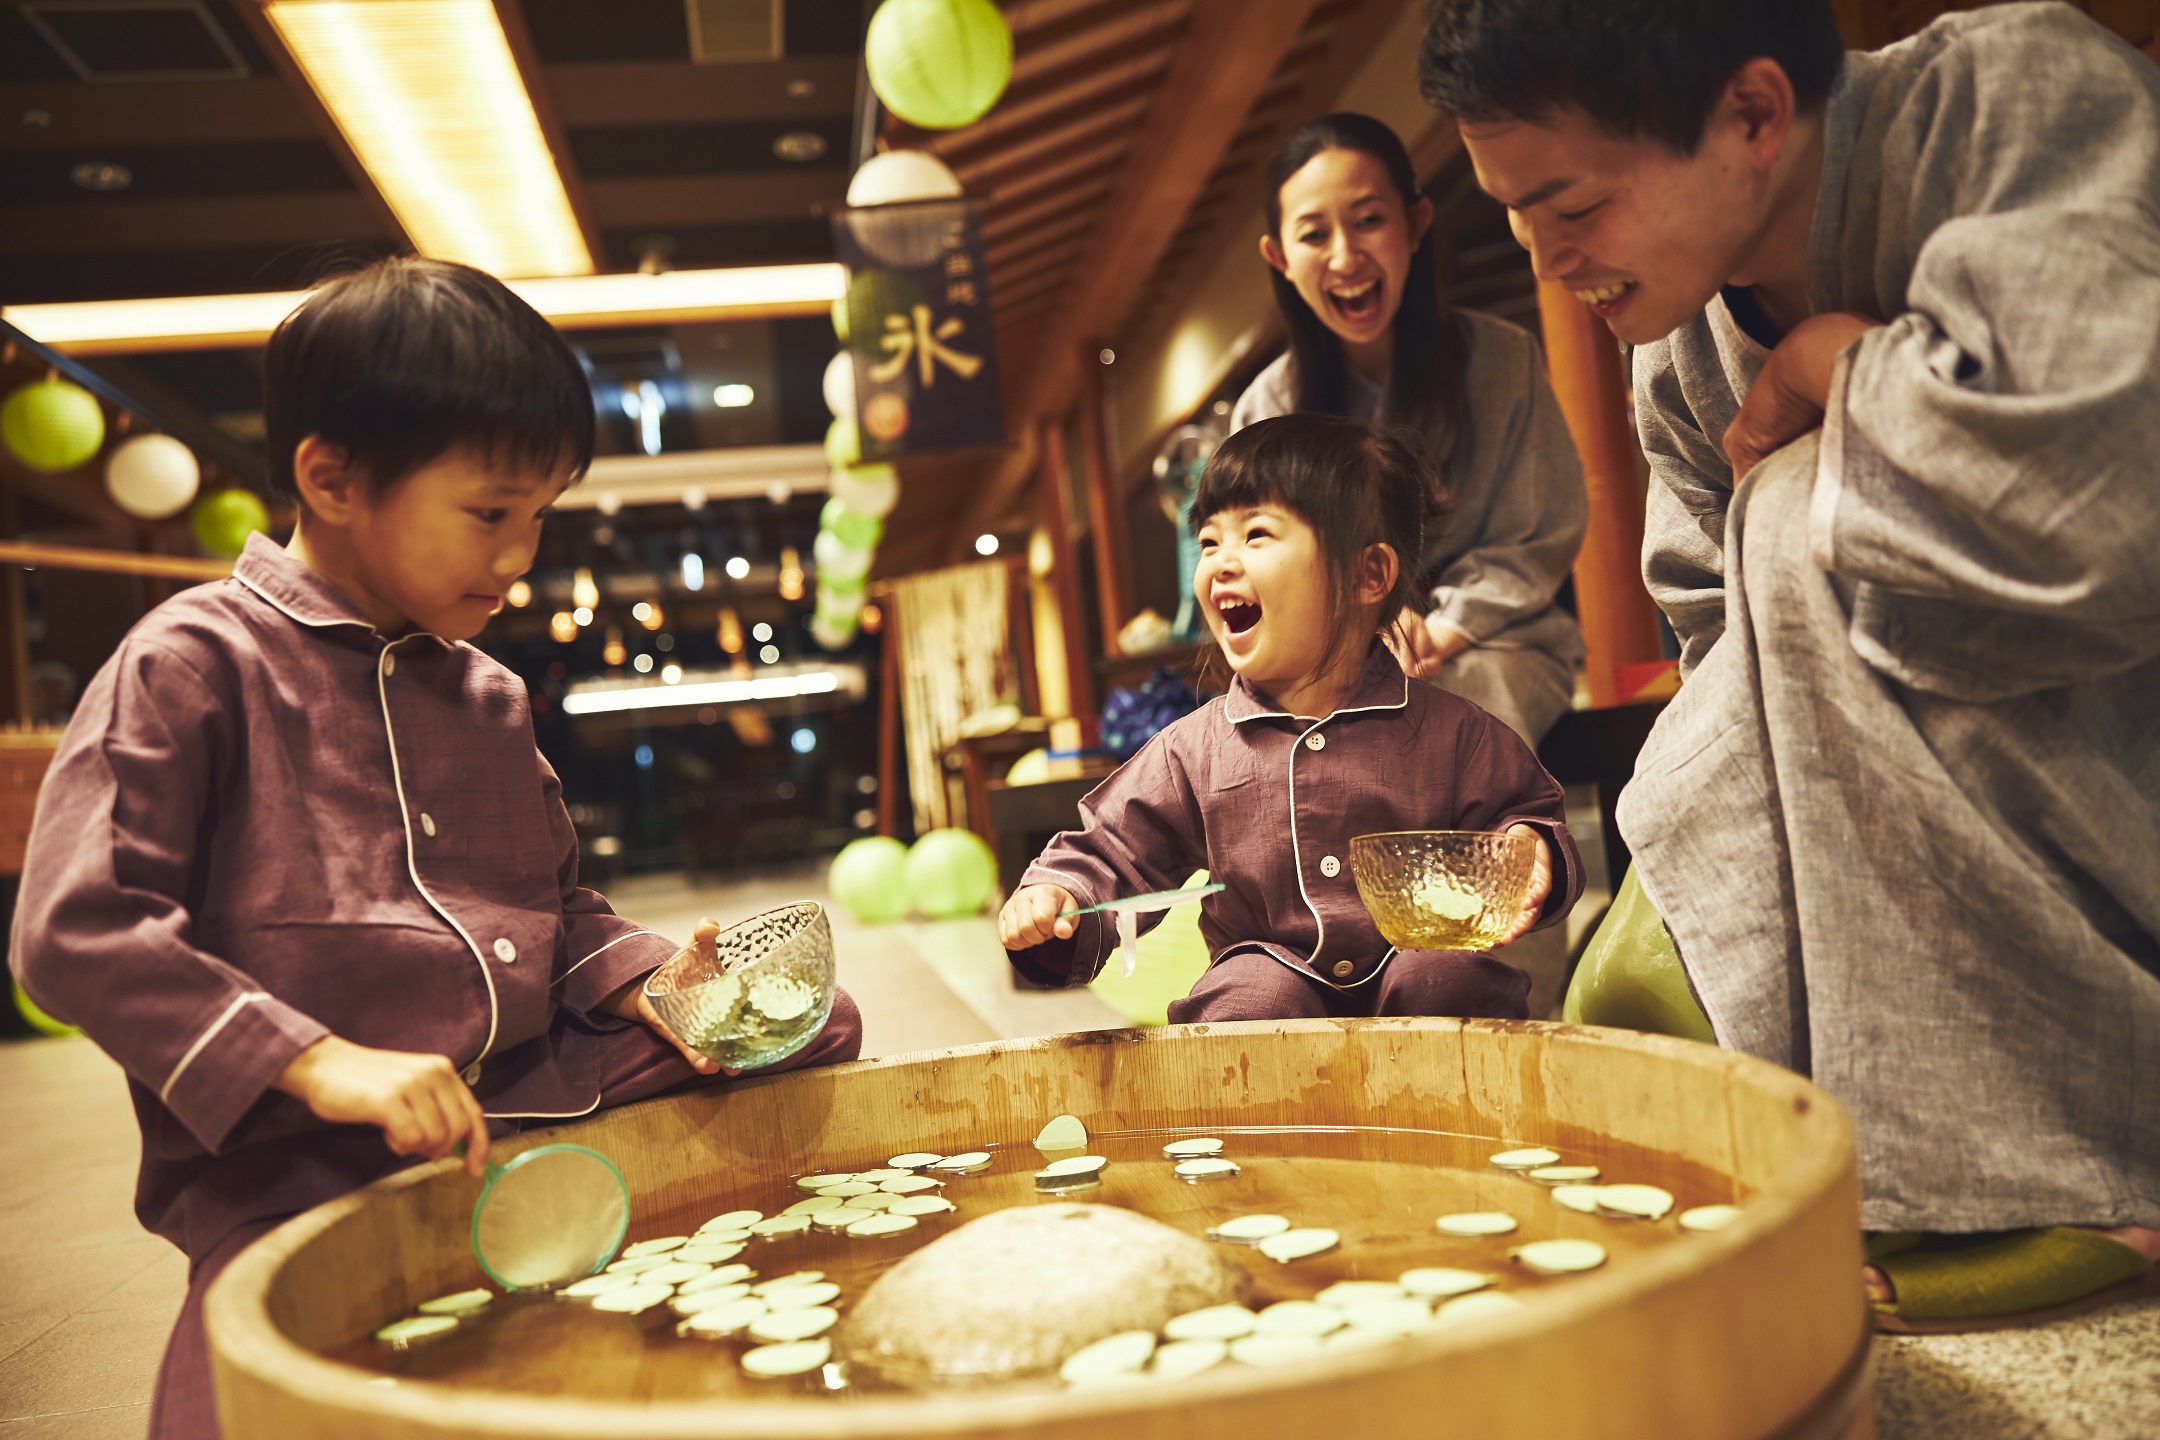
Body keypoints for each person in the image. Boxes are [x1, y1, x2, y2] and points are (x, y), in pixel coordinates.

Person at [6, 257, 864, 1439]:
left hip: (516, 1100)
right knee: (236, 1407)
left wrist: (654, 985)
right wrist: (321, 1063)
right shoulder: (189, 662)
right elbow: (74, 928)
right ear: (332, 478)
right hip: (299, 1157)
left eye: (540, 515)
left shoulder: (489, 697)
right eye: (490, 513)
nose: (520, 553)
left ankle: (560, 1210)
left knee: (814, 1017)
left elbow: (559, 912)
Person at [1421, 0, 2160, 1329]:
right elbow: (1726, 645)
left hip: (2116, 736)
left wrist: (1835, 370)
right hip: (1881, 798)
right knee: (1650, 931)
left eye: (1571, 206)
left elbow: (2101, 500)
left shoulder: (2014, 104)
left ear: (1753, 113)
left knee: (1787, 514)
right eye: (1517, 219)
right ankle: (1901, 1133)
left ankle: (2076, 1159)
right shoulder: (1678, 347)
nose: (1547, 258)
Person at [1000, 413, 1582, 1022]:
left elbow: (1522, 812)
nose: (1221, 562)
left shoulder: (1454, 731)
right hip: (1266, 969)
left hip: (1422, 953)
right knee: (1250, 999)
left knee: (1447, 977)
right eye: (1209, 542)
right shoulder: (1192, 750)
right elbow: (1116, 847)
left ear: (1368, 575)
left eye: (1256, 535)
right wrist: (1060, 895)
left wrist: (1530, 847)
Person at [1230, 113, 1587, 748]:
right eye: (1314, 234)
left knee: (1456, 719)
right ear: (1279, 257)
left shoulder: (1503, 360)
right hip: (1330, 671)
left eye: (1369, 220)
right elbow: (1264, 576)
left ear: (1416, 223)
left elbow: (1533, 537)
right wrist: (1360, 640)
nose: (1346, 256)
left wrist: (1442, 631)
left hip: (1495, 644)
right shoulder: (1265, 410)